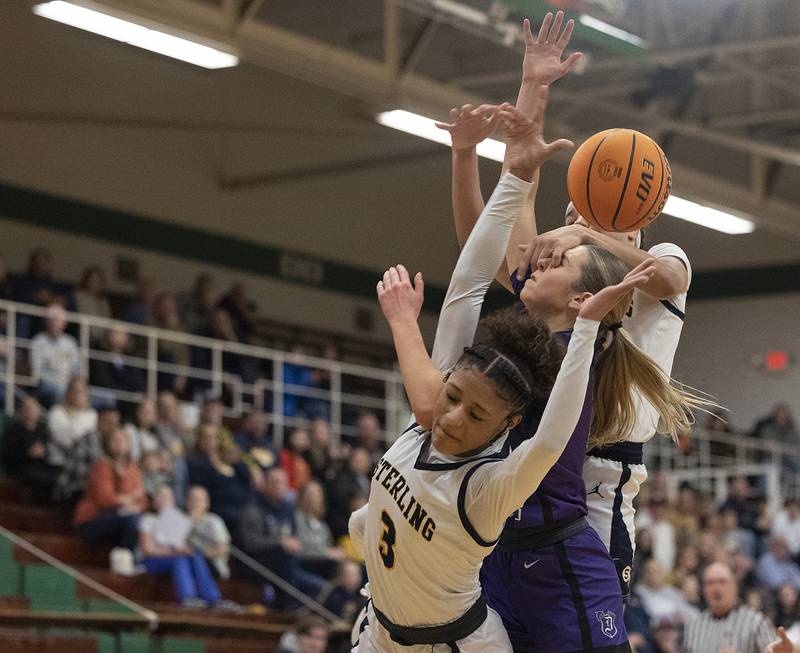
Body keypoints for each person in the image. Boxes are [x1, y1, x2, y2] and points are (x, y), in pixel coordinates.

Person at [349, 87, 655, 651]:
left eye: (561, 253)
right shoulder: (529, 322)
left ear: (586, 297)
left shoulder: (587, 332)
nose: (546, 250)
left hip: (568, 543)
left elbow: (662, 273)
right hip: (497, 550)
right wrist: (517, 117)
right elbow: (479, 250)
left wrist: (576, 224)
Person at [440, 12, 703, 621]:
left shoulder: (658, 259)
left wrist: (579, 230)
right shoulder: (560, 279)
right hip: (528, 465)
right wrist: (529, 98)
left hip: (601, 480)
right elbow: (489, 236)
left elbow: (663, 277)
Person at [237, 467, 327, 605]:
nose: (279, 486)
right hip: (258, 564)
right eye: (275, 482)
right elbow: (251, 543)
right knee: (286, 557)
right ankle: (286, 608)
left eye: (282, 483)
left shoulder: (287, 509)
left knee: (322, 585)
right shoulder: (253, 509)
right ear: (265, 484)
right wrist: (279, 543)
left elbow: (293, 537)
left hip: (286, 566)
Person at [138, 485, 221, 607]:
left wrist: (185, 549)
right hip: (151, 561)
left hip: (174, 558)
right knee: (179, 558)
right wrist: (173, 552)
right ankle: (188, 598)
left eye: (168, 497)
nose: (164, 501)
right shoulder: (149, 519)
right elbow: (148, 550)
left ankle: (213, 599)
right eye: (161, 497)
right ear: (155, 501)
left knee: (195, 554)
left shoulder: (178, 521)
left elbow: (181, 545)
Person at [74, 426, 147, 551]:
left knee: (142, 521)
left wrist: (130, 503)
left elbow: (143, 501)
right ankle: (124, 560)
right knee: (131, 520)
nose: (120, 443)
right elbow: (105, 500)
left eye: (123, 440)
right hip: (94, 519)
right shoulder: (102, 466)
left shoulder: (133, 469)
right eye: (115, 440)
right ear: (107, 444)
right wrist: (128, 498)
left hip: (123, 517)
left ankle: (131, 560)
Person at [683, 562, 776, 653]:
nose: (716, 588)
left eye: (722, 582)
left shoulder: (757, 622)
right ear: (703, 590)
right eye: (710, 583)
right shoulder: (694, 626)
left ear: (734, 586)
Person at [0, 395, 58, 502]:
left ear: (39, 411)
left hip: (41, 466)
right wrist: (28, 453)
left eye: (33, 409)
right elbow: (7, 454)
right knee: (34, 477)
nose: (30, 411)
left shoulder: (43, 430)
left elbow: (51, 450)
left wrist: (44, 452)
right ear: (21, 411)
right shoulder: (13, 430)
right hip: (20, 467)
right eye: (27, 408)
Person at [30, 301, 80, 407]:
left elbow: (76, 369)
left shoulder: (70, 342)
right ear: (46, 321)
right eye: (52, 319)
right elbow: (36, 372)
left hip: (68, 385)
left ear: (65, 322)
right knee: (60, 392)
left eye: (58, 319)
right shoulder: (38, 341)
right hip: (47, 385)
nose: (55, 322)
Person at [295, 480, 345, 580]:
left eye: (318, 494)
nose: (315, 498)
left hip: (324, 567)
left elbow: (330, 548)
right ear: (302, 497)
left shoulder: (323, 526)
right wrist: (325, 553)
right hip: (305, 566)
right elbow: (300, 548)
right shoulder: (296, 519)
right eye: (311, 494)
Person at [47, 377, 98, 468]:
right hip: (61, 458)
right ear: (68, 392)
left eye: (82, 391)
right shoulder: (57, 412)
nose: (78, 395)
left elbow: (87, 440)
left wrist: (80, 411)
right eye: (75, 390)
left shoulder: (91, 414)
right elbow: (66, 441)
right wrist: (80, 412)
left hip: (84, 459)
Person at [186, 485, 231, 579]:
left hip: (212, 563)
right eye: (192, 499)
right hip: (187, 561)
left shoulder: (214, 521)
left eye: (198, 500)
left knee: (194, 561)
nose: (195, 503)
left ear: (206, 503)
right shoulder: (181, 520)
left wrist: (199, 555)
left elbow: (222, 549)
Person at [74, 265, 113, 344]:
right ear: (86, 280)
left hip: (103, 339)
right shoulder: (80, 296)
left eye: (99, 280)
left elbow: (108, 321)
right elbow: (83, 317)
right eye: (93, 279)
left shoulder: (104, 302)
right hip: (86, 335)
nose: (96, 283)